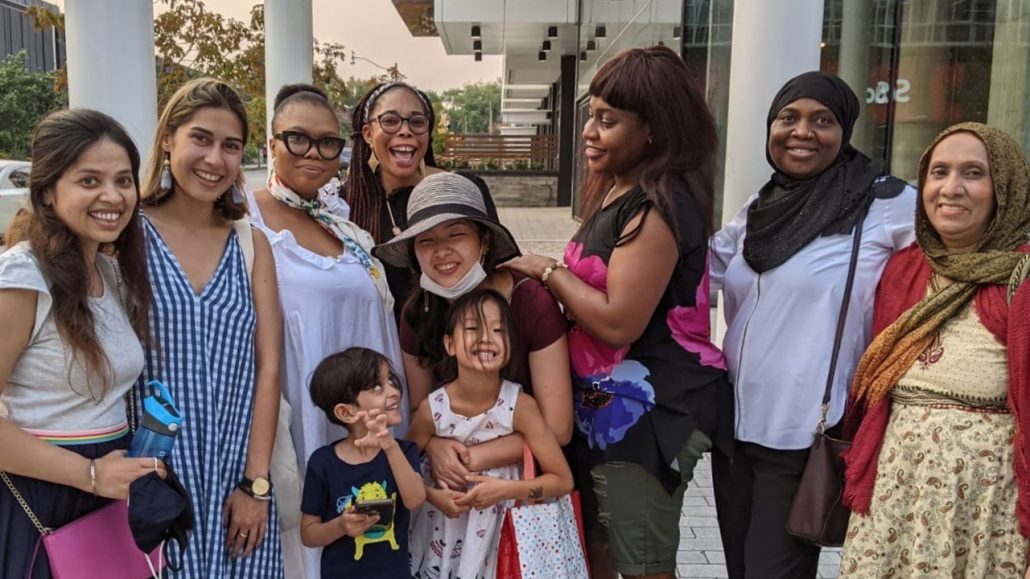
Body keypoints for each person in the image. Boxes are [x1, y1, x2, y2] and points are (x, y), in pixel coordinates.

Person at [504, 45, 733, 579]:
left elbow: (617, 321)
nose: (589, 130)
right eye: (591, 114)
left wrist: (545, 271)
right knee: (602, 555)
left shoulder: (658, 203)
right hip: (606, 411)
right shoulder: (618, 192)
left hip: (648, 415)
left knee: (644, 565)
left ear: (652, 129)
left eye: (608, 120)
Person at [708, 70, 915, 579]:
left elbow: (950, 257)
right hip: (734, 429)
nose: (802, 131)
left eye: (822, 120)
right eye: (788, 118)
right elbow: (701, 271)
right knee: (741, 569)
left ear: (844, 131)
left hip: (804, 432)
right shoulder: (760, 207)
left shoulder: (884, 203)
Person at [840, 123, 1030, 577]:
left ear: (1004, 186)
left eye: (973, 173)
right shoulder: (904, 270)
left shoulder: (1020, 279)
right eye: (939, 172)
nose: (951, 188)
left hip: (986, 511)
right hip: (895, 497)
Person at [0, 109, 166, 577]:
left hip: (107, 496)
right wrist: (88, 475)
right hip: (42, 498)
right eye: (89, 181)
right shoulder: (22, 278)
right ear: (48, 193)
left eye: (123, 180)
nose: (112, 196)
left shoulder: (111, 274)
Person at [248, 83, 402, 578]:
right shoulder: (243, 220)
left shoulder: (345, 226)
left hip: (373, 420)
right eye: (297, 138)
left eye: (328, 143)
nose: (314, 153)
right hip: (301, 419)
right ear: (270, 143)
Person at [139, 78, 283, 577]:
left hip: (235, 482)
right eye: (200, 139)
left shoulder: (250, 244)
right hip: (151, 479)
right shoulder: (126, 237)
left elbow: (269, 368)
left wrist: (256, 484)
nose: (215, 159)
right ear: (167, 140)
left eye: (231, 146)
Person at [372, 171, 572, 490]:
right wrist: (434, 447)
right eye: (426, 240)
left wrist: (471, 459)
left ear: (484, 240)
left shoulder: (530, 301)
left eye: (456, 235)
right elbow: (418, 408)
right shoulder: (417, 313)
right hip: (445, 488)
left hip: (516, 483)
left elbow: (558, 428)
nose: (442, 252)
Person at [406, 289, 575, 578]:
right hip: (443, 535)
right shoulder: (432, 410)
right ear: (449, 343)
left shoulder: (520, 406)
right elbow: (401, 471)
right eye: (473, 328)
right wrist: (433, 496)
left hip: (506, 538)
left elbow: (562, 480)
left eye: (499, 330)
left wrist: (507, 490)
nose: (486, 337)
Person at [344, 81, 498, 314]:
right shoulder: (346, 204)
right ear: (368, 133)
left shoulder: (461, 191)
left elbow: (495, 266)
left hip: (460, 336)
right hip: (377, 342)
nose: (405, 130)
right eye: (390, 120)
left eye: (417, 122)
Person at [300, 347, 424, 579]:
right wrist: (340, 526)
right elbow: (308, 534)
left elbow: (415, 499)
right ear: (346, 412)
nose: (394, 391)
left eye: (391, 381)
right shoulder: (323, 463)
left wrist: (389, 445)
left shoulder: (403, 451)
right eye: (378, 387)